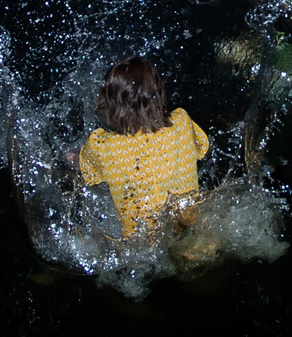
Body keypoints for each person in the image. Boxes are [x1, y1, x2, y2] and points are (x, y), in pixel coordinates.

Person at [74, 56, 210, 238]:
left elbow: (82, 166)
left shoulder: (102, 146)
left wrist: (68, 156)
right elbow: (202, 148)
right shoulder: (182, 123)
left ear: (110, 103)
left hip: (140, 246)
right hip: (195, 236)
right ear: (158, 93)